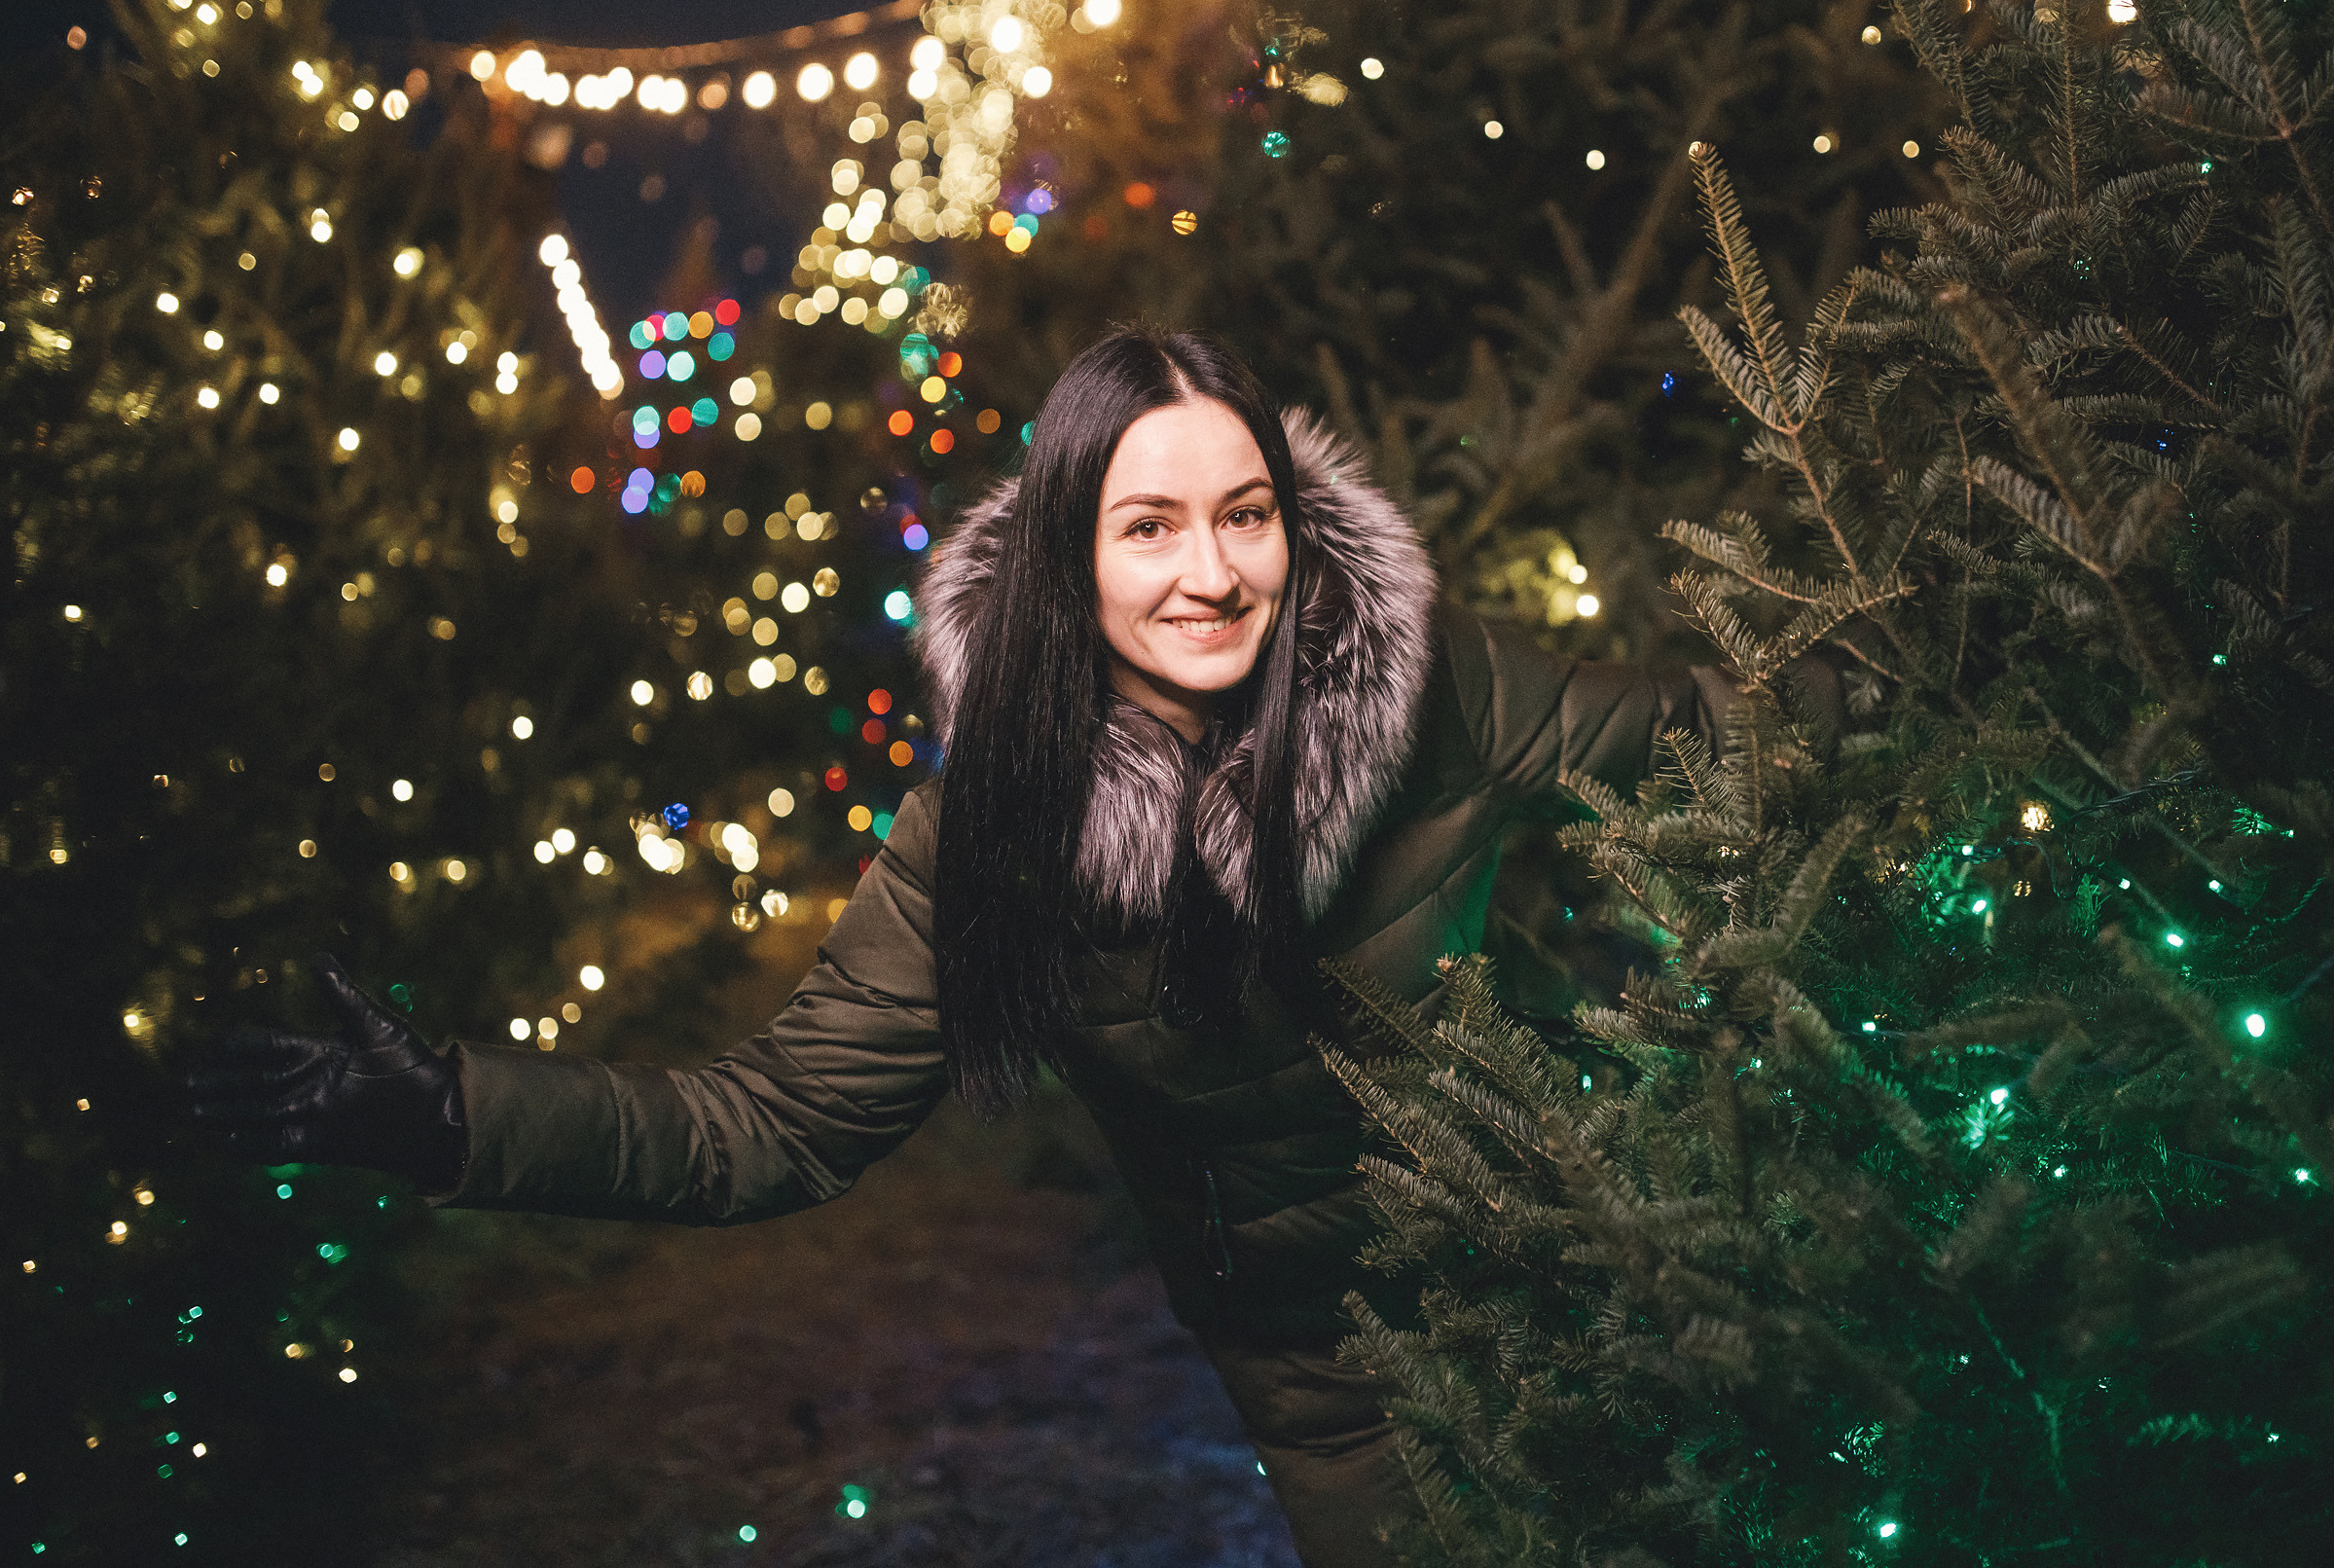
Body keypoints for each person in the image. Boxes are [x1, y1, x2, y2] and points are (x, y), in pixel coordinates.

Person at [188, 327, 1726, 1568]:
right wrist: (452, 1113)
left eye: (1246, 515)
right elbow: (774, 1124)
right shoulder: (993, 831)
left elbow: (1707, 745)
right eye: (1150, 528)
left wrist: (1942, 667)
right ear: (1069, 557)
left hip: (1603, 1290)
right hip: (1343, 1397)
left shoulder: (1428, 685)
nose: (1213, 573)